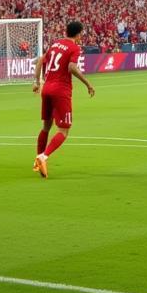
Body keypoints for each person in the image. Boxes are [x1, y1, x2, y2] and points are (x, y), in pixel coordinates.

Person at [33, 20, 95, 178]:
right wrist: (88, 83)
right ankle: (43, 157)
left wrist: (35, 81)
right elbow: (72, 67)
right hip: (61, 91)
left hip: (46, 88)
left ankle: (38, 161)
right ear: (79, 34)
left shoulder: (55, 44)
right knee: (64, 130)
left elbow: (40, 60)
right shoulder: (74, 47)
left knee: (46, 127)